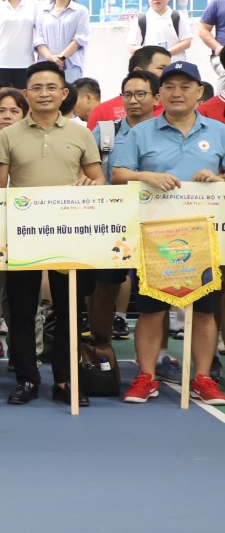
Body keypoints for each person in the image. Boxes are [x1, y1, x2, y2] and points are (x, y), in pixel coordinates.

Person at [109, 61, 225, 406]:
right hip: (155, 237)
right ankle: (146, 376)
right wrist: (145, 175)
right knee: (151, 310)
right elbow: (118, 175)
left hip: (206, 237)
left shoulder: (218, 131)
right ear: (159, 94)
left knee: (204, 311)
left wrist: (218, 179)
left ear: (200, 92)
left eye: (185, 87)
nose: (177, 93)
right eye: (170, 86)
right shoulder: (140, 132)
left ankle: (203, 378)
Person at [0, 62, 104, 407]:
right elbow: (0, 189)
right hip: (23, 233)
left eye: (51, 87)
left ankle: (66, 380)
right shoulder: (8, 135)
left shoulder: (80, 133)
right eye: (37, 88)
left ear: (64, 93)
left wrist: (91, 184)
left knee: (69, 310)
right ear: (26, 94)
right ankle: (26, 378)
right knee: (22, 311)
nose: (44, 93)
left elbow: (98, 179)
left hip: (68, 234)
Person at [34, 0, 90, 84]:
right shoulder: (43, 12)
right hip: (46, 65)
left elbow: (80, 38)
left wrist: (60, 58)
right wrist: (51, 58)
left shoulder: (81, 11)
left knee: (71, 93)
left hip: (71, 65)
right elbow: (39, 40)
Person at [127, 0, 193, 56]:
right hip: (150, 63)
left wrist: (166, 54)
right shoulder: (140, 20)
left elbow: (187, 42)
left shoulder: (178, 16)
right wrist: (152, 52)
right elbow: (131, 47)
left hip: (175, 62)